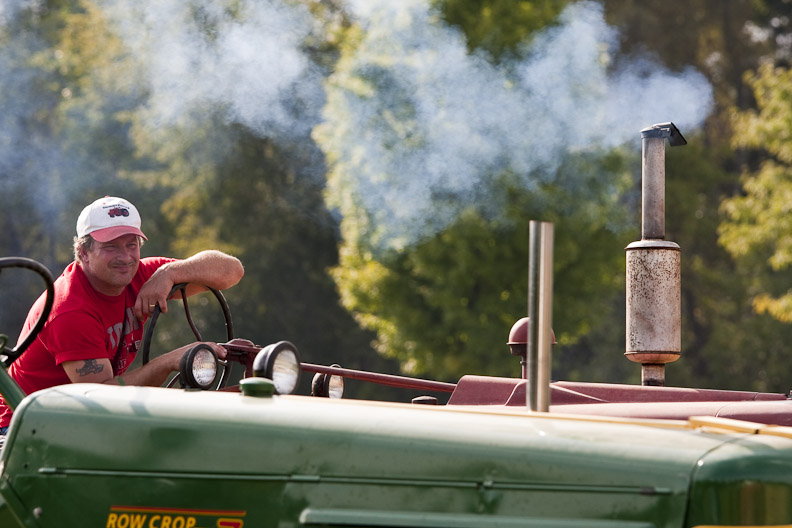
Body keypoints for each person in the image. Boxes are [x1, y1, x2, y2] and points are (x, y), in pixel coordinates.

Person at [0, 196, 244, 436]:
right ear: (83, 252)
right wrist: (171, 360)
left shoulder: (145, 275)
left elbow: (232, 271)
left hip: (79, 415)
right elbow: (102, 399)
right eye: (110, 247)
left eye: (132, 245)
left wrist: (170, 272)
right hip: (26, 426)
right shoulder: (70, 310)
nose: (125, 257)